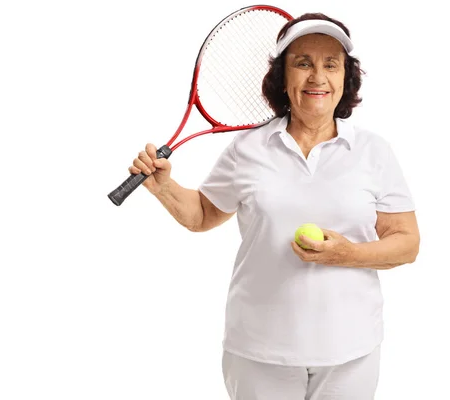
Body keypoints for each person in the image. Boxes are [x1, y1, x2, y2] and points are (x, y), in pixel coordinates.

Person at [128, 12, 420, 400]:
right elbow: (201, 215)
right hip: (258, 352)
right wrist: (163, 187)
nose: (317, 76)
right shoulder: (247, 149)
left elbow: (406, 242)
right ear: (283, 77)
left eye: (330, 64)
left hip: (351, 351)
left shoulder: (374, 152)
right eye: (303, 63)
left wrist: (347, 254)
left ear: (345, 78)